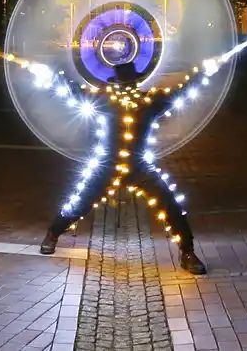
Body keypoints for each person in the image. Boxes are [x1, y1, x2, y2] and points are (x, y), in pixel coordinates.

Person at [39, 63, 207, 275]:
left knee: (171, 205)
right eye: (124, 83)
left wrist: (200, 75)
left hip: (140, 167)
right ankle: (53, 233)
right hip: (107, 166)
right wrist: (55, 76)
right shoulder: (106, 101)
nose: (127, 87)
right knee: (80, 203)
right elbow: (73, 92)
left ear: (135, 83)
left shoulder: (149, 102)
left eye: (130, 83)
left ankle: (187, 253)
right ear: (118, 85)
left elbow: (180, 94)